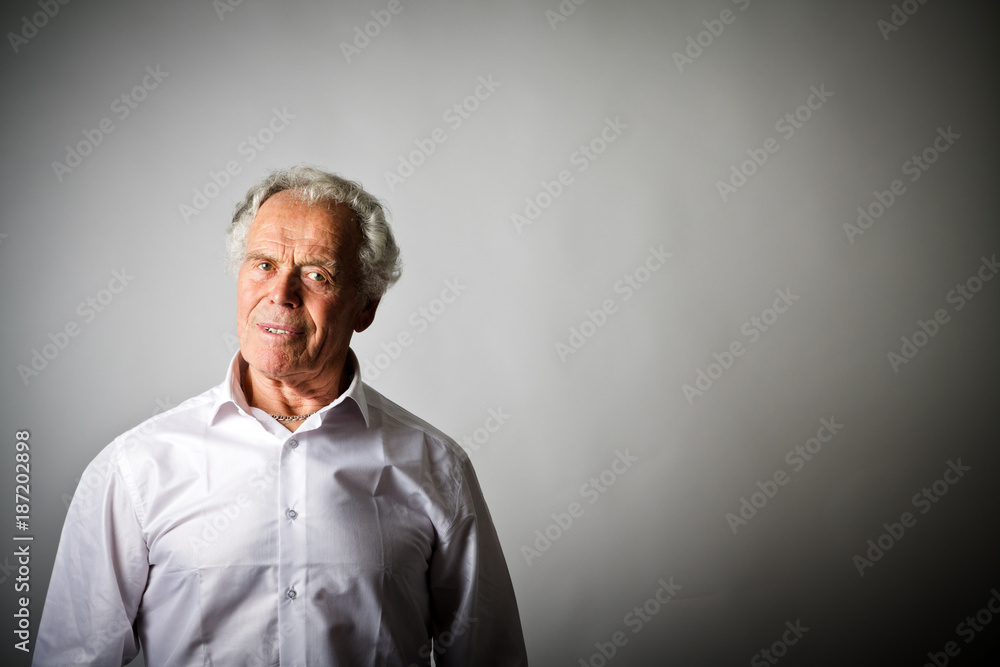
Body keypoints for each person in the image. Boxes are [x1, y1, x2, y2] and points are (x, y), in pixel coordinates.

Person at [34, 165, 528, 666]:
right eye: (264, 264)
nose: (282, 293)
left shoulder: (436, 467)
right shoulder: (137, 467)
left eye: (317, 274)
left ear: (366, 307)